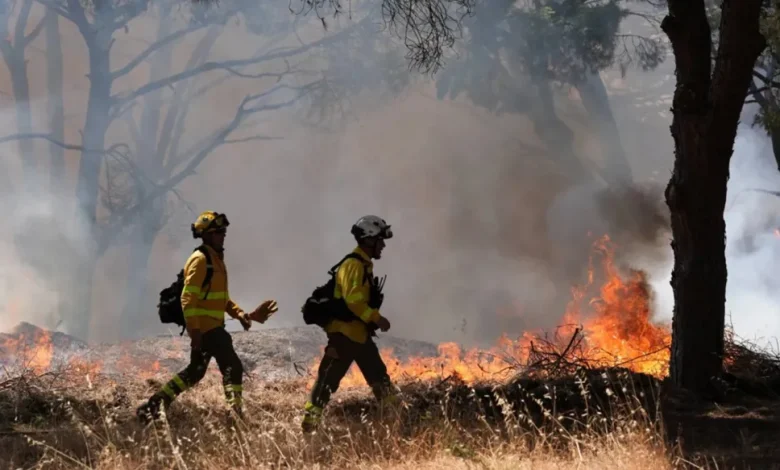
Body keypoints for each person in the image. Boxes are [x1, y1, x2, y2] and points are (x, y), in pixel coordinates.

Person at [136, 211, 278, 423]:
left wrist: (242, 315)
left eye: (223, 232)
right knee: (233, 366)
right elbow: (187, 298)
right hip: (206, 330)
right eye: (218, 232)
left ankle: (154, 405)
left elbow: (222, 299)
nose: (223, 235)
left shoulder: (215, 260)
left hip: (210, 327)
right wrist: (194, 331)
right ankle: (235, 415)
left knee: (195, 372)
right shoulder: (201, 260)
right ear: (206, 235)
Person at [301, 215, 398, 433]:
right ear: (369, 239)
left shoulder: (363, 265)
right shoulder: (353, 265)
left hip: (358, 336)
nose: (383, 246)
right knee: (327, 381)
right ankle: (309, 427)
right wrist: (377, 318)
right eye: (380, 240)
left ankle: (397, 421)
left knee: (380, 378)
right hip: (344, 337)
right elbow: (353, 301)